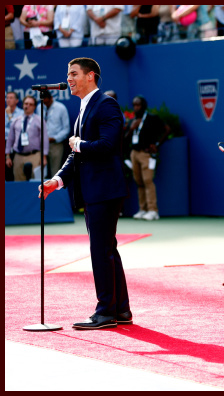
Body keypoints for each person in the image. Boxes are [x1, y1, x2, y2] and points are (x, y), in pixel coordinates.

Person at [38, 57, 131, 330]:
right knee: (107, 249)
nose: (69, 79)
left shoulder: (105, 104)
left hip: (104, 191)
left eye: (74, 74)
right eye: (68, 74)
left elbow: (106, 145)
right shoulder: (83, 108)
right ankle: (121, 310)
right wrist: (56, 181)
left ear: (91, 76)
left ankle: (105, 313)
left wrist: (79, 144)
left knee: (101, 250)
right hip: (95, 191)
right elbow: (75, 155)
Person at [124, 95, 167, 221]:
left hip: (146, 154)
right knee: (139, 181)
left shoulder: (152, 118)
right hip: (134, 153)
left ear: (144, 106)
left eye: (138, 105)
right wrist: (132, 129)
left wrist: (157, 144)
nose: (136, 107)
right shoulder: (132, 121)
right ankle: (143, 209)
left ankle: (153, 210)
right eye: (134, 105)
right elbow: (126, 139)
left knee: (148, 180)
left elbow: (167, 129)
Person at [5, 95, 48, 181]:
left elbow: (44, 139)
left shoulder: (39, 120)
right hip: (18, 156)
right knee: (18, 182)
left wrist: (44, 157)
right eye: (26, 103)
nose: (27, 106)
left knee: (34, 183)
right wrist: (8, 156)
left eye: (30, 104)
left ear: (34, 107)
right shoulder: (16, 120)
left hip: (34, 155)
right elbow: (10, 139)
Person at [36, 93, 70, 178]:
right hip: (42, 145)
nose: (45, 104)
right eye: (44, 102)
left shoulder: (61, 108)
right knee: (40, 172)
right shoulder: (39, 107)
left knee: (55, 171)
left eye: (47, 102)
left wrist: (54, 138)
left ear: (51, 98)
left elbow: (66, 129)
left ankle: (55, 190)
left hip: (56, 145)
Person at [5, 91, 24, 181]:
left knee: (14, 170)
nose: (8, 100)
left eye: (11, 98)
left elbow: (18, 129)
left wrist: (9, 115)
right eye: (7, 98)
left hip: (16, 144)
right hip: (5, 144)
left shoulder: (21, 113)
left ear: (16, 101)